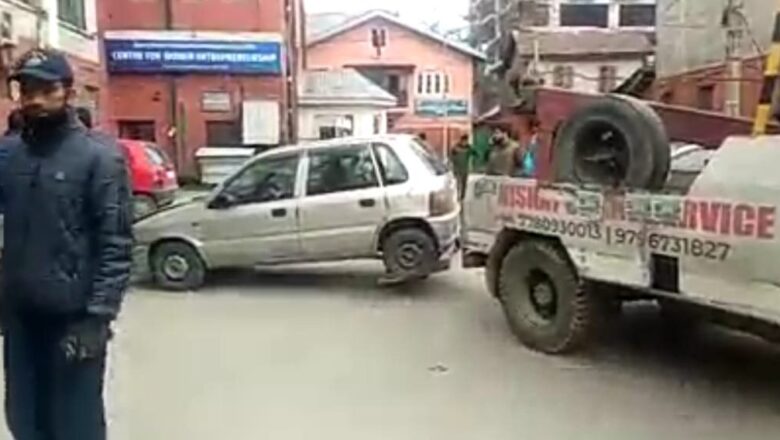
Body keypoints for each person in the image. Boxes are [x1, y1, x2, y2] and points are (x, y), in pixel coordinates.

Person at [0, 49, 133, 440]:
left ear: (69, 92)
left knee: (75, 426)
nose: (35, 99)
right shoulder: (8, 154)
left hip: (73, 321)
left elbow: (116, 243)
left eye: (46, 89)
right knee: (25, 420)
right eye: (26, 89)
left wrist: (98, 318)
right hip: (21, 319)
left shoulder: (100, 157)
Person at [449, 134, 472, 199]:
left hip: (465, 169)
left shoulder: (468, 147)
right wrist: (453, 166)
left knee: (464, 184)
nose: (465, 142)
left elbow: (473, 153)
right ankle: (458, 196)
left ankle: (463, 196)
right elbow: (451, 157)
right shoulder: (455, 148)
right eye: (465, 141)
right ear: (462, 140)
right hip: (458, 169)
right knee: (458, 183)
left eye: (466, 141)